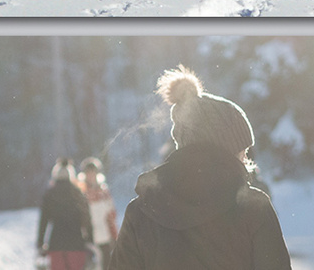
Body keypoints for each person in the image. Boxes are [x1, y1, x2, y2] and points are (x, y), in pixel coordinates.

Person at [109, 66, 291, 270]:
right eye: (243, 151)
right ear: (225, 148)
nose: (247, 159)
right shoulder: (254, 209)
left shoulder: (142, 211)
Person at [37, 158, 94, 270]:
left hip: (56, 244)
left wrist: (40, 244)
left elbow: (43, 221)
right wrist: (89, 241)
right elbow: (87, 219)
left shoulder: (50, 194)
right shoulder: (78, 193)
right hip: (76, 244)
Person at [78, 157, 118, 270]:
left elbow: (111, 216)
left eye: (93, 173)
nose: (91, 176)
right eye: (88, 173)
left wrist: (114, 237)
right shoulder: (81, 193)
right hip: (88, 241)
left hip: (105, 239)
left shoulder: (104, 192)